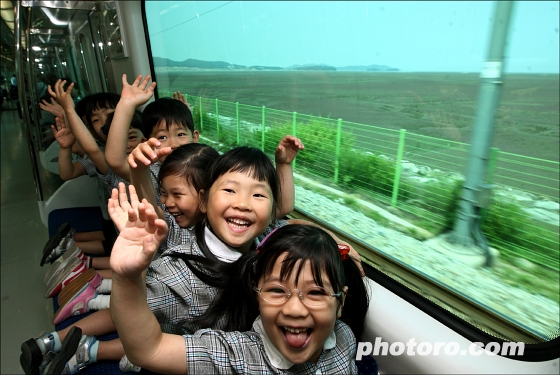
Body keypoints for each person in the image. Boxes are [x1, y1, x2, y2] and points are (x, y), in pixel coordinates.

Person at [105, 213, 368, 374]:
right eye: (277, 290)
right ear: (256, 294)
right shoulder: (238, 357)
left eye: (315, 293)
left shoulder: (344, 339)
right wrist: (126, 279)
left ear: (340, 302)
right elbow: (150, 350)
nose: (295, 309)